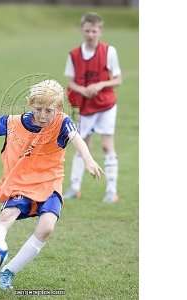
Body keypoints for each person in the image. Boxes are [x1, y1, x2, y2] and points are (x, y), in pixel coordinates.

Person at [0, 79, 103, 290]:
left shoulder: (63, 122)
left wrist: (88, 159)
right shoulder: (15, 122)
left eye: (49, 110)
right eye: (38, 109)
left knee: (47, 227)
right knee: (6, 217)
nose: (43, 115)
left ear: (59, 108)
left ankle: (8, 271)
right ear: (29, 104)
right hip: (21, 183)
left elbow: (76, 138)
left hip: (49, 183)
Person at [63, 13, 122, 203]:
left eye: (94, 31)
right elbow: (70, 82)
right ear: (82, 30)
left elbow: (118, 79)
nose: (90, 34)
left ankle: (111, 191)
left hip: (105, 105)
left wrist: (100, 85)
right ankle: (74, 188)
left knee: (106, 146)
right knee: (82, 146)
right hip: (84, 107)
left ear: (100, 31)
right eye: (87, 30)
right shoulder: (74, 54)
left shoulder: (109, 51)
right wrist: (82, 89)